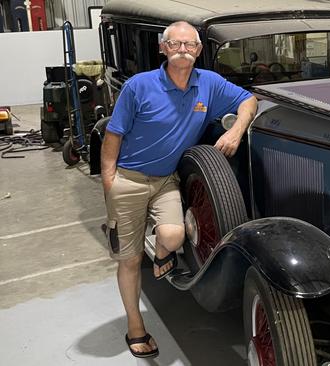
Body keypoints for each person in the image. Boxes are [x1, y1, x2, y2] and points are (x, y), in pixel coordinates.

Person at [100, 20, 257, 358]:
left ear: (199, 51)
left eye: (190, 45)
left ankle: (162, 254)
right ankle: (135, 327)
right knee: (129, 260)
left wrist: (236, 131)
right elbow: (113, 135)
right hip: (128, 178)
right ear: (163, 48)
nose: (183, 50)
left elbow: (248, 100)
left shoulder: (209, 84)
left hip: (166, 179)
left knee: (172, 235)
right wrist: (110, 181)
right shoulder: (139, 86)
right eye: (176, 44)